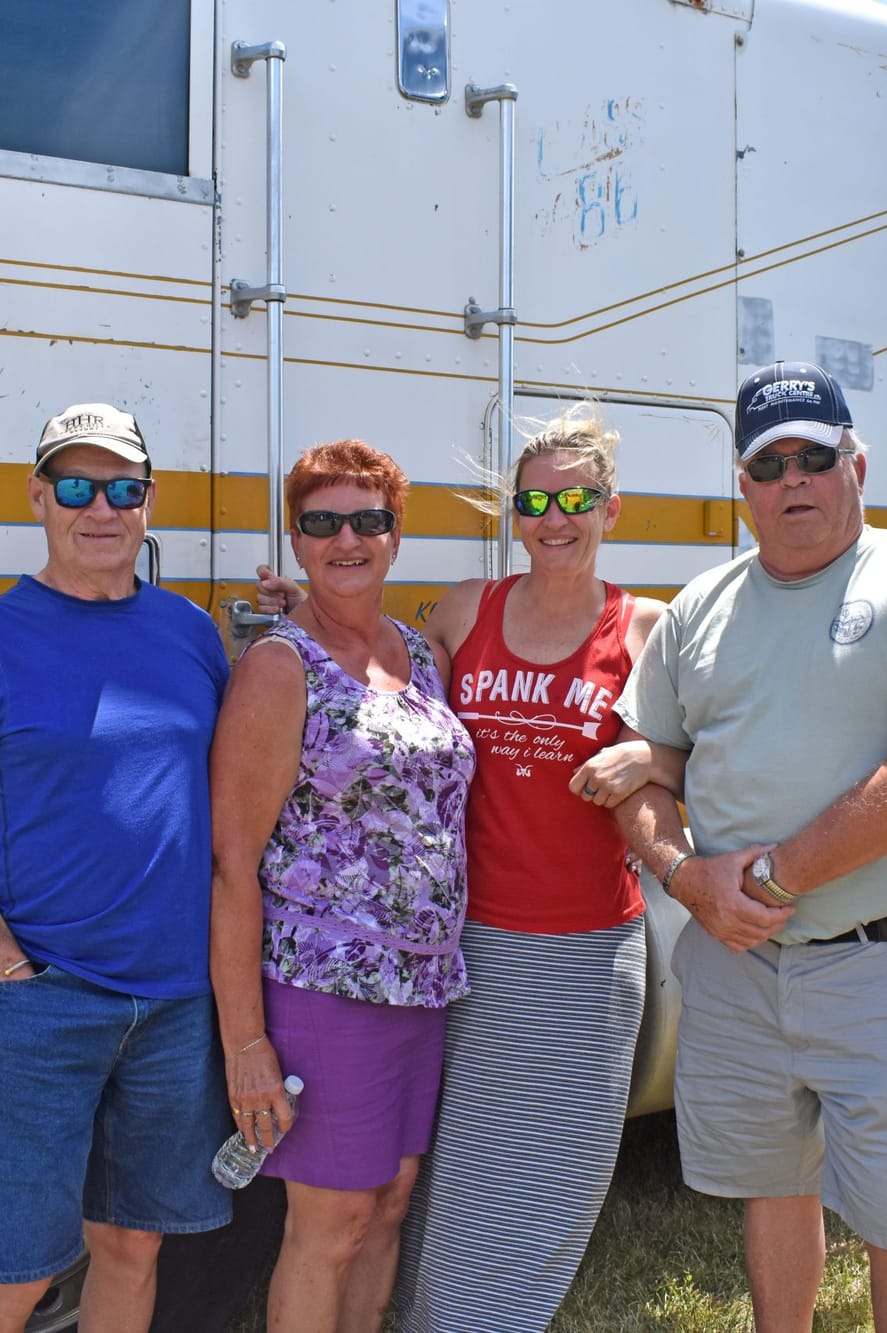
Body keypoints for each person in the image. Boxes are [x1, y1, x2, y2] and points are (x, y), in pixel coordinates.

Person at [254, 405, 673, 1332]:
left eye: (576, 497)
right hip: (464, 951)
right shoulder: (465, 608)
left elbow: (708, 750)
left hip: (583, 954)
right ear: (512, 512)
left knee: (540, 1178)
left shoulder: (648, 628)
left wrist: (650, 760)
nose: (553, 517)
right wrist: (313, 617)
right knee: (437, 1178)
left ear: (612, 507)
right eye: (534, 499)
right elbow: (391, 699)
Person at [612, 361, 887, 1333]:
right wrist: (683, 877)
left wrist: (767, 878)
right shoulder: (696, 607)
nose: (793, 479)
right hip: (735, 967)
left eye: (813, 457)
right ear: (740, 486)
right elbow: (640, 779)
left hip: (881, 961)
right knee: (770, 1188)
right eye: (768, 463)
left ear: (855, 464)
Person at [0, 404, 232, 1333]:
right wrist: (9, 975)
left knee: (131, 1245)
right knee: (15, 1273)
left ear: (148, 504)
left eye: (123, 488)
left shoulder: (192, 634)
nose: (101, 508)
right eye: (76, 486)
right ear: (39, 497)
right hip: (48, 1001)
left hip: (176, 1004)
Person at [209, 440, 476, 1333]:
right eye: (323, 522)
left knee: (389, 1205)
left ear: (398, 533)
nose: (347, 538)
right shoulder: (281, 669)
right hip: (327, 990)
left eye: (368, 519)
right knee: (330, 1225)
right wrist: (246, 1040)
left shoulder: (420, 653)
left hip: (424, 985)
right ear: (297, 538)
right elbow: (231, 864)